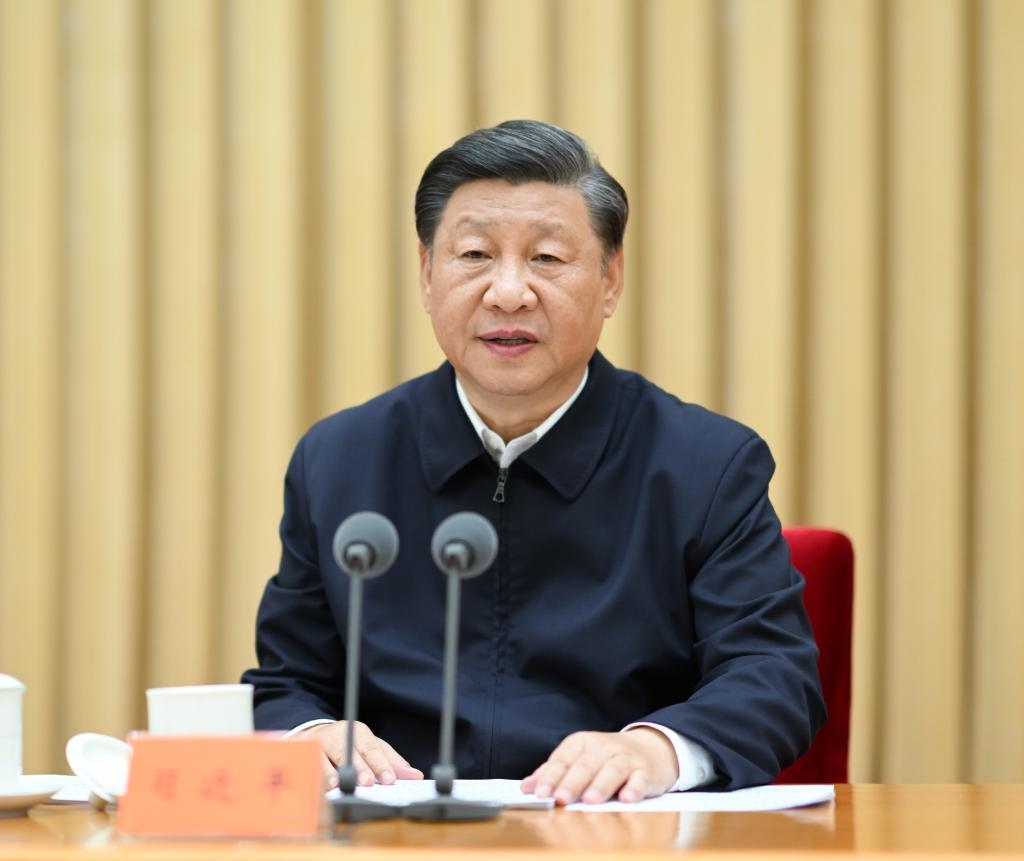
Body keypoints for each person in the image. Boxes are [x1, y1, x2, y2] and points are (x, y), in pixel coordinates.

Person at [242, 119, 825, 805]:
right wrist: (310, 731)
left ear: (611, 279)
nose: (509, 292)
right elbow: (285, 681)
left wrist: (654, 747)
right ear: (427, 274)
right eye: (474, 255)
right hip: (398, 836)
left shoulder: (705, 465)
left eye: (547, 259)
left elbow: (773, 675)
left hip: (616, 836)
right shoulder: (339, 461)